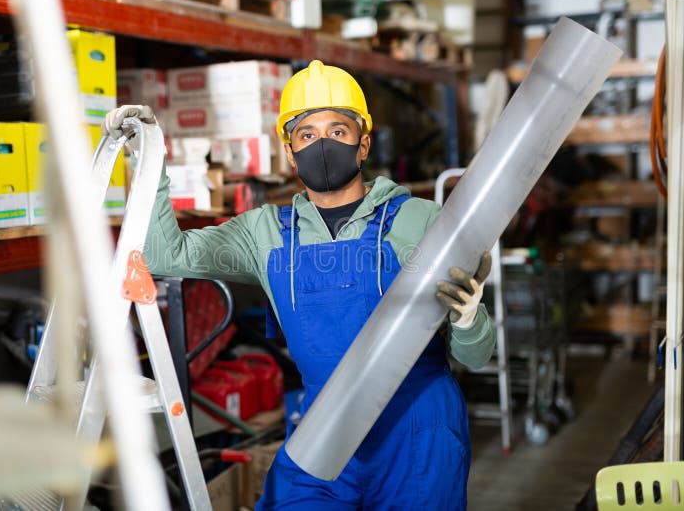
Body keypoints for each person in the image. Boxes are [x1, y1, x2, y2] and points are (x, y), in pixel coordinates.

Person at [103, 59, 496, 511]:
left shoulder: (422, 220)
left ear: (363, 143)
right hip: (323, 429)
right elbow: (162, 254)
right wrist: (149, 159)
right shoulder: (263, 233)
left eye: (338, 130)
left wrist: (468, 318)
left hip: (417, 433)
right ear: (290, 151)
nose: (322, 143)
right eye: (306, 134)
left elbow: (476, 356)